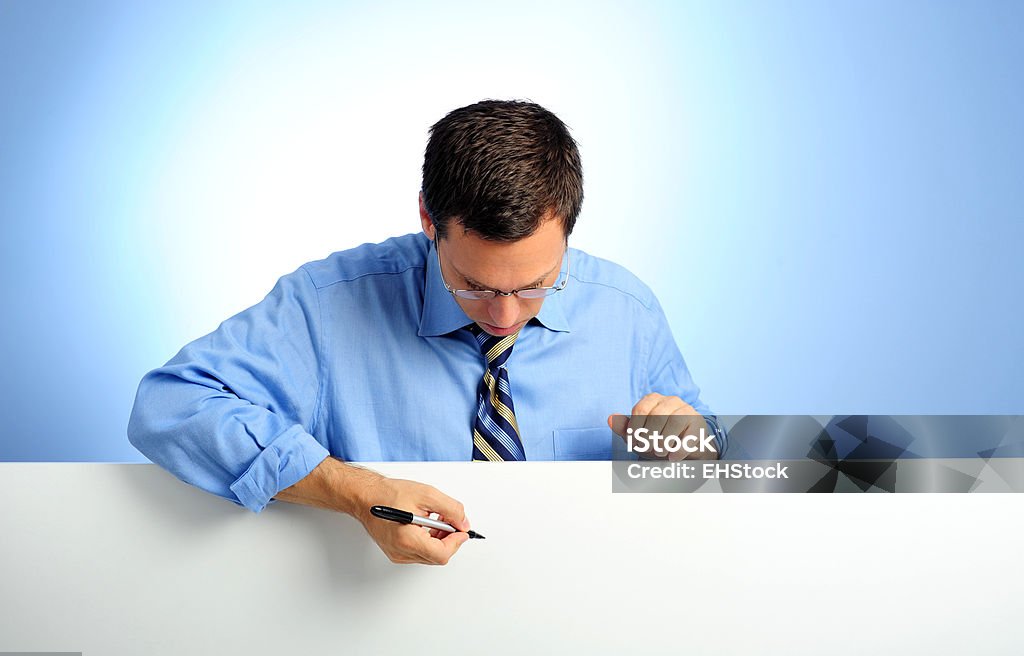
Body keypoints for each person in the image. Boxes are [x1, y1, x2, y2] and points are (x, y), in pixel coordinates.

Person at [128, 99, 724, 566]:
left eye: (540, 283)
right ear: (426, 220)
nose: (507, 315)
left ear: (568, 230)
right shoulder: (326, 307)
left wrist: (688, 448)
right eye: (475, 286)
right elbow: (170, 404)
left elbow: (713, 467)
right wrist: (354, 492)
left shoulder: (628, 313)